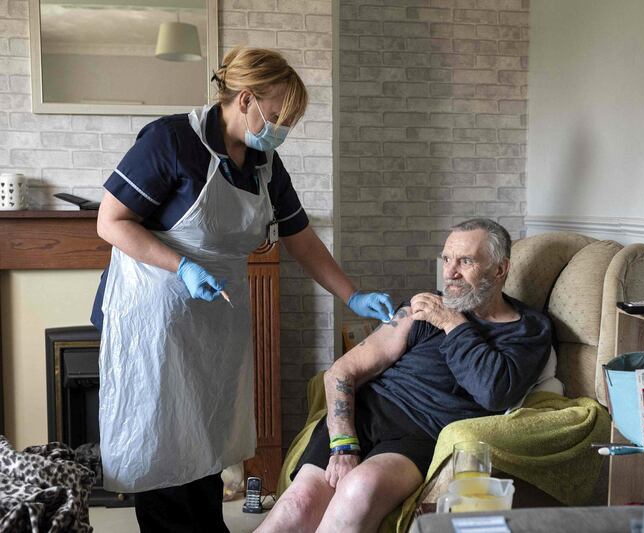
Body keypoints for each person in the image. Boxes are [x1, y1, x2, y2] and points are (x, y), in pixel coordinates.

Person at [90, 46, 394, 532]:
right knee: (164, 441)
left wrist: (351, 295)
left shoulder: (262, 159)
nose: (281, 129)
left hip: (214, 313)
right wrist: (183, 266)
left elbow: (300, 236)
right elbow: (112, 221)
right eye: (276, 116)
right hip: (152, 311)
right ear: (246, 99)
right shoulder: (172, 141)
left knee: (207, 436)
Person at [256, 218, 553, 533]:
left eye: (465, 261)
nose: (450, 272)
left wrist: (453, 323)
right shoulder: (420, 310)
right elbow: (341, 372)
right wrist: (343, 445)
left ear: (499, 269)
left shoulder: (528, 329)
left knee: (360, 488)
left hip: (424, 433)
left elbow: (493, 392)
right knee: (297, 503)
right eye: (447, 259)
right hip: (366, 413)